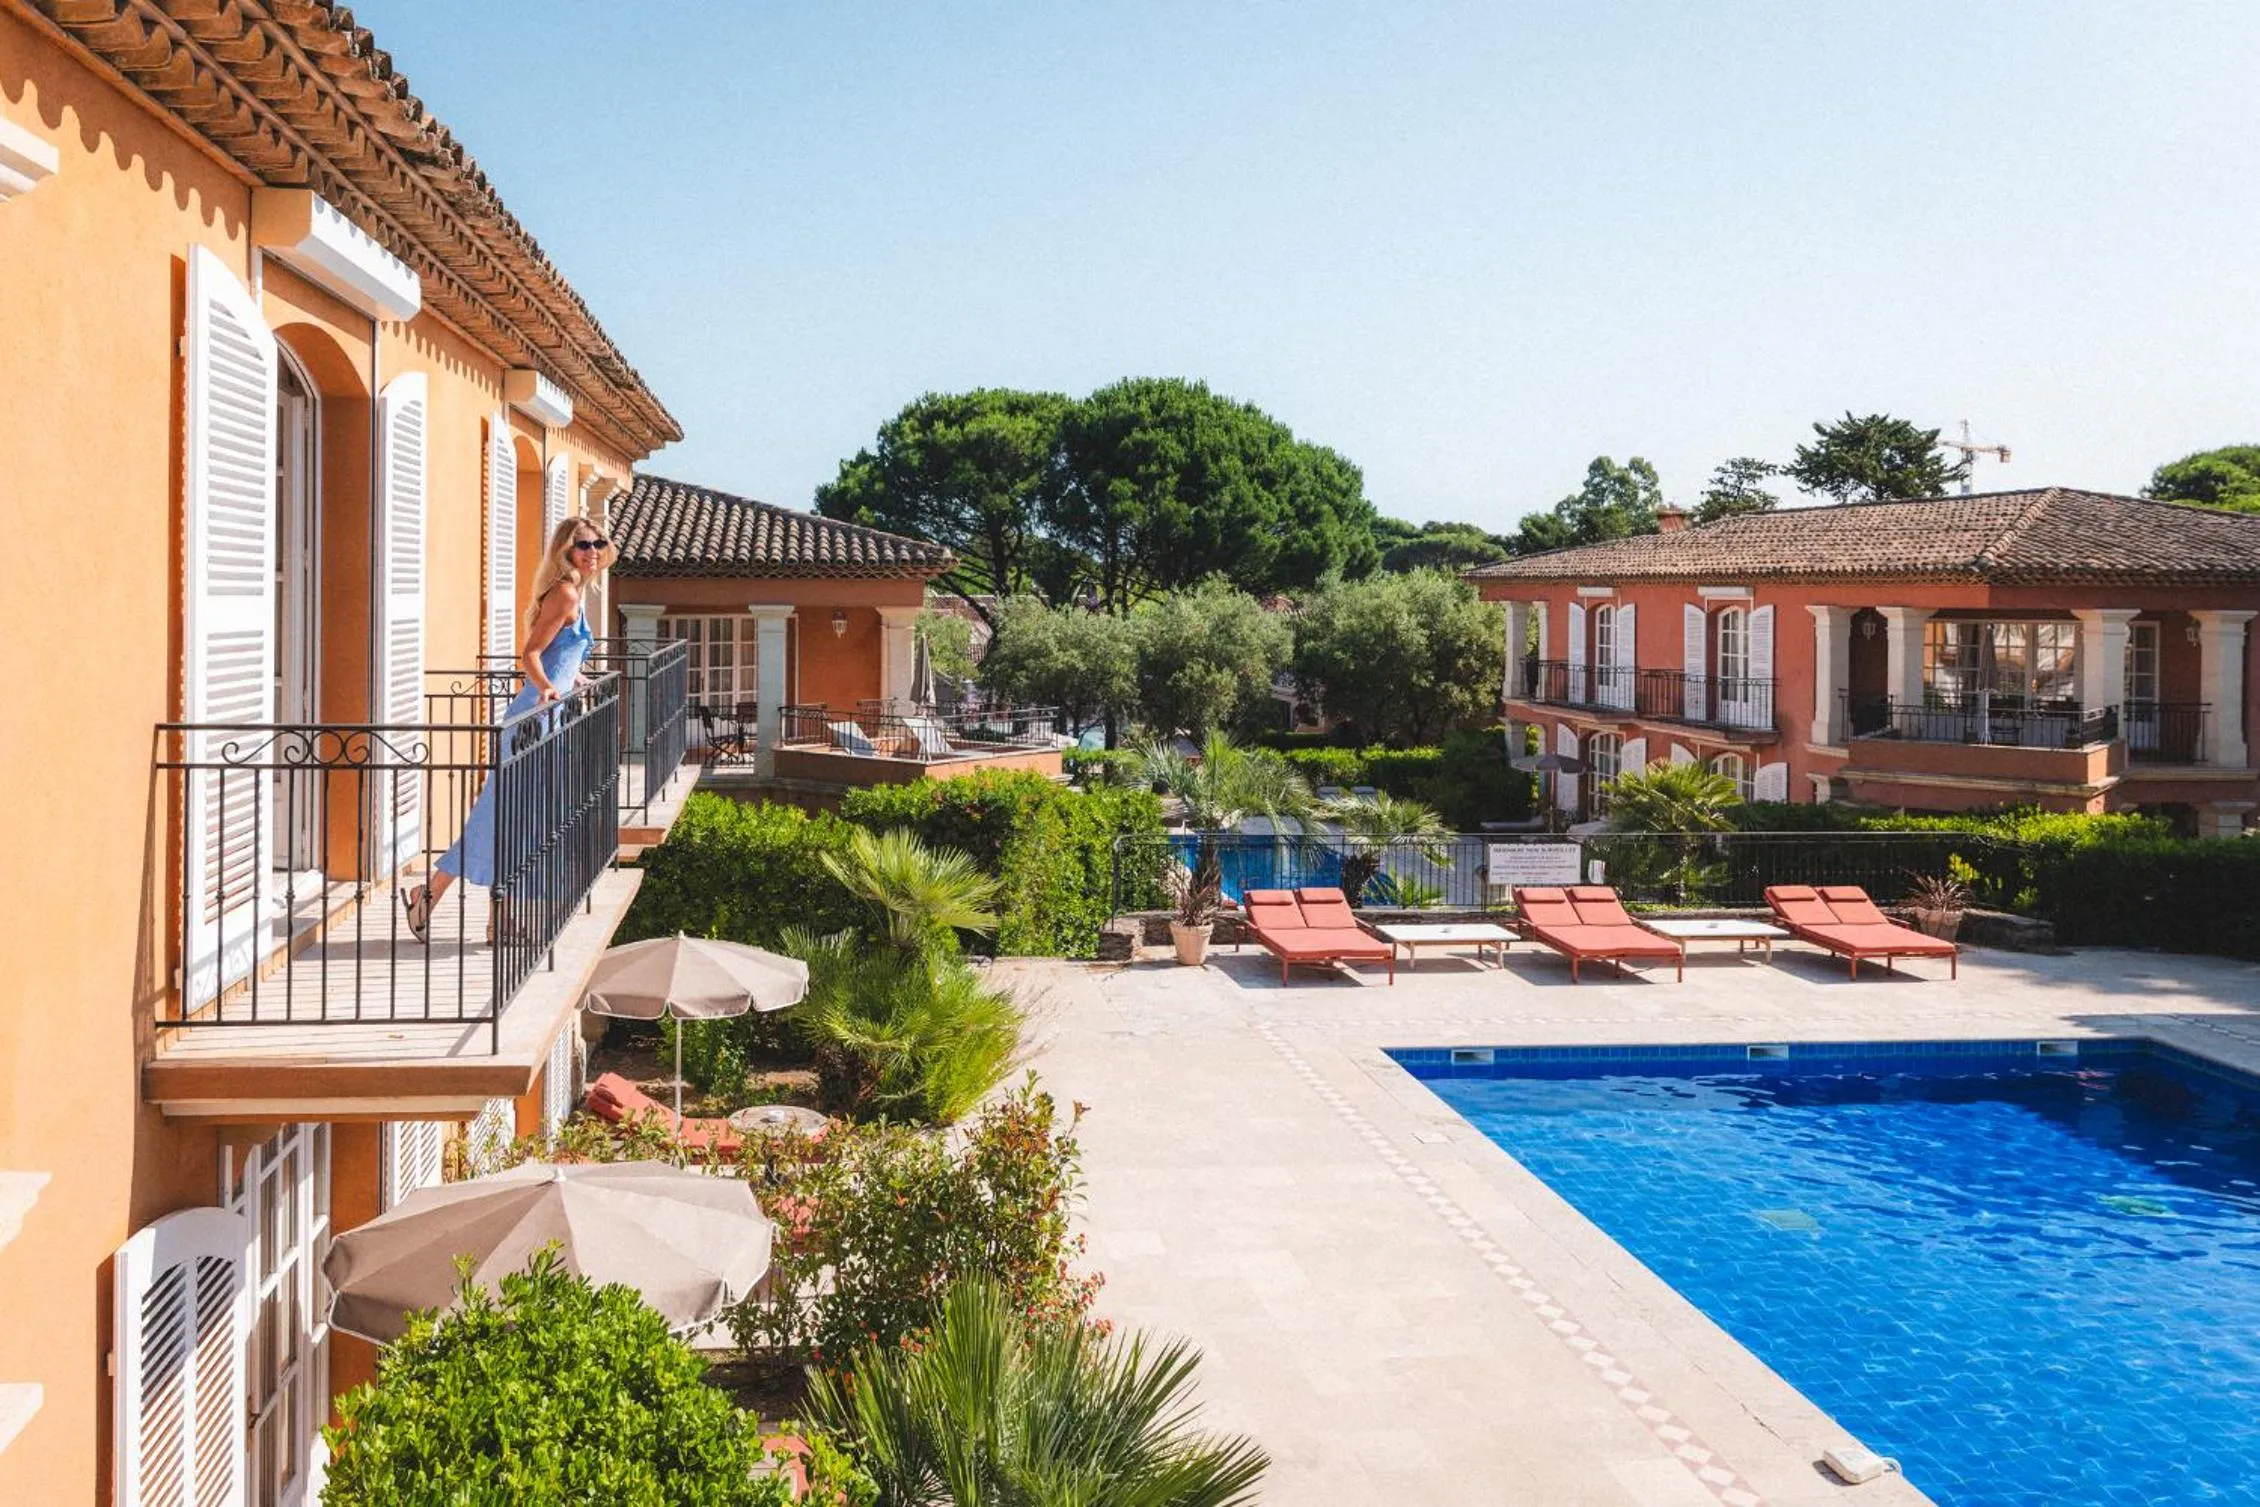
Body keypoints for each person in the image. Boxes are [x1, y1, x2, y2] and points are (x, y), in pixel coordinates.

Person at [401, 515, 616, 943]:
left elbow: (559, 654)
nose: (592, 551)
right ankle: (433, 894)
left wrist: (574, 679)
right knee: (504, 817)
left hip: (545, 719)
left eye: (598, 543)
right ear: (566, 551)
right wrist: (550, 689)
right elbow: (531, 655)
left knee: (518, 820)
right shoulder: (566, 594)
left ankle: (489, 917)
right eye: (583, 545)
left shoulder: (575, 592)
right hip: (532, 721)